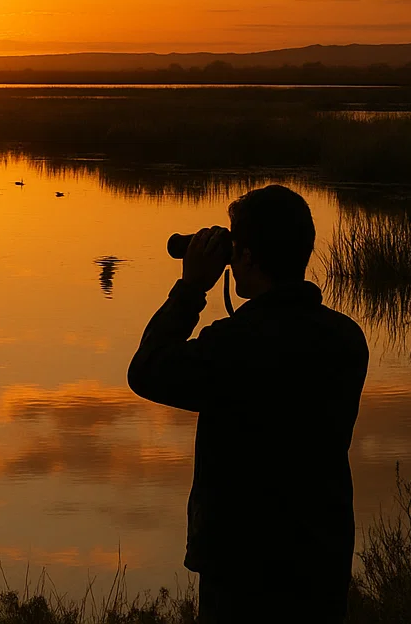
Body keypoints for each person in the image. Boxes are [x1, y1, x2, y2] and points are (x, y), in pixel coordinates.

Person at [127, 184, 368, 623]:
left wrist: (190, 288)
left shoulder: (234, 345)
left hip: (243, 569)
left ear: (249, 257)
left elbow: (145, 371)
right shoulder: (346, 338)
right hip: (321, 560)